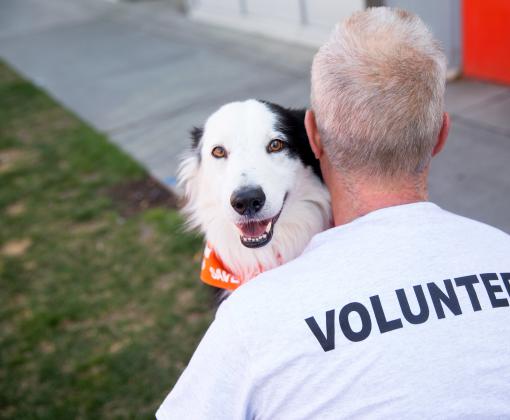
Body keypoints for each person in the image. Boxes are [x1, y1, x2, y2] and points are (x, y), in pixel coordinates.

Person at [157, 7, 510, 419]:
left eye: (274, 146)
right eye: (220, 154)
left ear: (313, 137)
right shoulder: (501, 250)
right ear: (441, 134)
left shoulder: (249, 321)